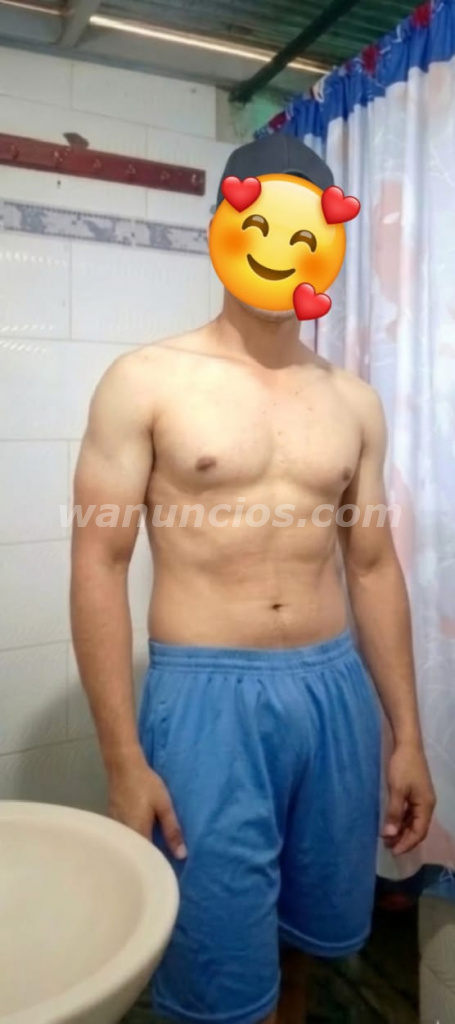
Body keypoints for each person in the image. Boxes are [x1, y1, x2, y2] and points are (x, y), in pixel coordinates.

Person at [70, 134, 435, 1024]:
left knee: (306, 940)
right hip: (206, 700)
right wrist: (122, 761)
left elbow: (372, 564)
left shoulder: (352, 401)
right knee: (216, 957)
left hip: (332, 691)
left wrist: (407, 736)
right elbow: (99, 563)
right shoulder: (145, 380)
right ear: (223, 227)